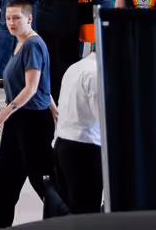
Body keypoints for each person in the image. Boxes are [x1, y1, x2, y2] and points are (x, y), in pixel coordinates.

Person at [0, 0, 69, 227]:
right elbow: (43, 86)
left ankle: (69, 221)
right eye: (8, 18)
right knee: (6, 179)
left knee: (43, 180)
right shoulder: (20, 43)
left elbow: (31, 87)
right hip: (19, 119)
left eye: (16, 18)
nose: (11, 22)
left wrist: (5, 112)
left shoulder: (32, 45)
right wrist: (54, 108)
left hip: (31, 120)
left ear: (29, 19)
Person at [53, 53, 102, 215]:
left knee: (70, 213)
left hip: (62, 144)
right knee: (86, 214)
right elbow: (101, 118)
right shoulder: (96, 73)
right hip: (84, 149)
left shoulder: (75, 67)